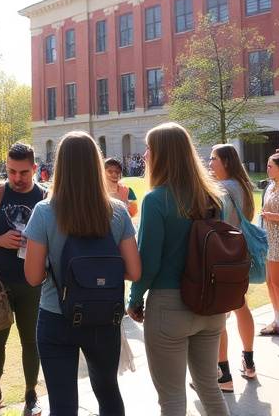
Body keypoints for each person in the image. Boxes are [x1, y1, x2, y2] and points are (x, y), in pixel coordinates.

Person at [23, 131, 140, 416]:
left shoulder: (44, 211)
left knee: (62, 404)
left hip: (55, 314)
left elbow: (33, 277)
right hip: (103, 314)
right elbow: (134, 271)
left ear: (60, 165)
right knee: (108, 393)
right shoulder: (117, 211)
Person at [127, 122, 229, 416]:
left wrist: (134, 299)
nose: (145, 155)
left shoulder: (156, 199)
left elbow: (149, 261)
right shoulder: (211, 197)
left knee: (172, 399)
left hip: (170, 306)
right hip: (211, 305)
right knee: (210, 388)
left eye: (149, 148)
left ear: (162, 154)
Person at [0, 143, 46, 416]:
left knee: (31, 341)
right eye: (11, 171)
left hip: (33, 284)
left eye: (23, 172)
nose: (16, 177)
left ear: (35, 169)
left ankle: (30, 394)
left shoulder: (45, 198)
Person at [208, 144, 256, 392]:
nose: (209, 163)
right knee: (241, 306)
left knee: (219, 314)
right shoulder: (242, 185)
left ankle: (223, 374)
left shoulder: (222, 189)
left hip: (223, 256)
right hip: (241, 253)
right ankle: (248, 362)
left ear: (226, 161)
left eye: (214, 158)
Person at [259, 152, 279, 336]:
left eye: (270, 166)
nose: (267, 169)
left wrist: (274, 217)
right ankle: (277, 318)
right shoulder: (272, 186)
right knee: (270, 282)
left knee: (277, 282)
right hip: (270, 238)